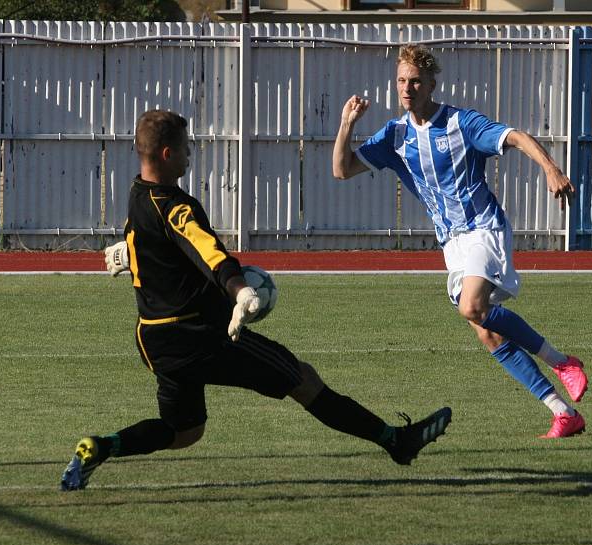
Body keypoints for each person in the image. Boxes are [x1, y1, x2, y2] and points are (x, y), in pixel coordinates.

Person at [60, 110, 452, 491]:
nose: (189, 155)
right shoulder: (177, 206)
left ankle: (101, 446)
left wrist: (131, 252)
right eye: (184, 149)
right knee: (304, 380)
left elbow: (153, 236)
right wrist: (240, 289)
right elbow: (207, 251)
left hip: (154, 340)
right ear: (166, 154)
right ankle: (395, 441)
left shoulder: (137, 193)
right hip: (200, 334)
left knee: (185, 431)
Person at [332, 45, 588, 439]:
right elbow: (342, 170)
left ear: (432, 84)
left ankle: (562, 361)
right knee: (486, 331)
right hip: (451, 242)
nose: (407, 87)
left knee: (472, 306)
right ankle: (561, 412)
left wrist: (551, 168)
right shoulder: (395, 135)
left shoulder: (460, 123)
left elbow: (516, 137)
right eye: (401, 80)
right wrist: (347, 123)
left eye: (415, 80)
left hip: (483, 226)